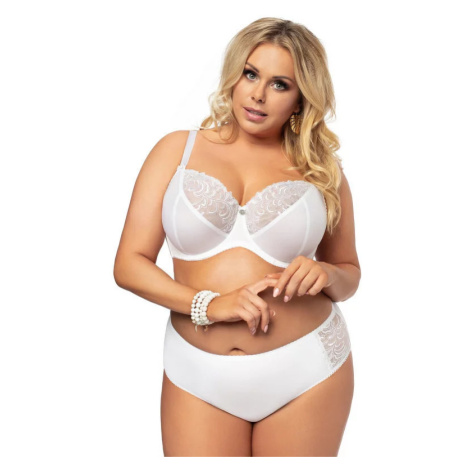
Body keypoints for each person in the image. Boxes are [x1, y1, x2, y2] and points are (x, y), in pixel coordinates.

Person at [114, 17, 361, 457]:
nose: (258, 94)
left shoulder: (322, 170)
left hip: (307, 370)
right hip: (197, 374)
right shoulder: (177, 150)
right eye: (251, 74)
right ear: (234, 74)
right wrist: (208, 305)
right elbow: (128, 265)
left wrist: (326, 274)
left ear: (301, 99)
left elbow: (349, 274)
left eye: (280, 84)